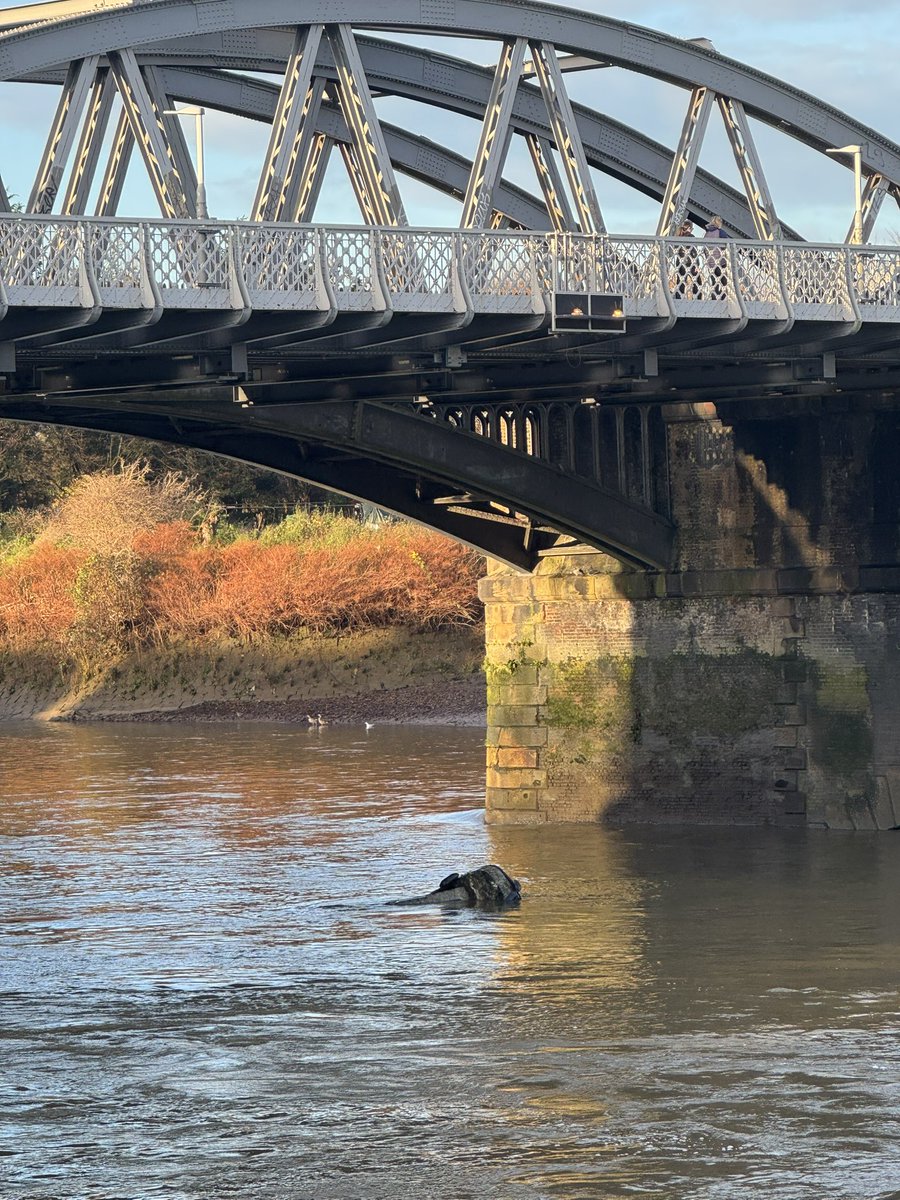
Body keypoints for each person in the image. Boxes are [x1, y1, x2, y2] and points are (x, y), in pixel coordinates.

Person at [703, 215, 732, 300]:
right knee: (724, 282)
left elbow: (705, 248)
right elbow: (727, 245)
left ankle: (714, 299)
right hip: (720, 261)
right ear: (718, 222)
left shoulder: (707, 233)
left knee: (714, 282)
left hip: (710, 262)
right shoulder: (721, 232)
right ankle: (722, 300)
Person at [673, 219, 698, 299]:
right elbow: (694, 251)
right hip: (690, 262)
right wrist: (697, 264)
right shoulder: (691, 237)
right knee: (696, 282)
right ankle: (697, 298)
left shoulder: (678, 236)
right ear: (690, 228)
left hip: (680, 262)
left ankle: (678, 298)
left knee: (680, 282)